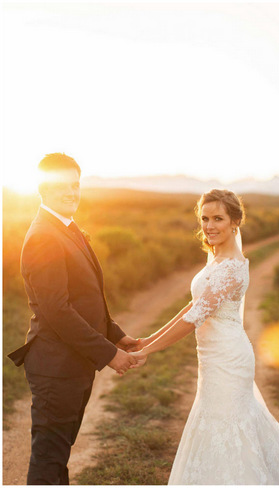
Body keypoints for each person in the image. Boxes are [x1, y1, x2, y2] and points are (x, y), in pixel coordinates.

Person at [130, 189, 279, 485]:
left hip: (228, 361)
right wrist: (148, 339)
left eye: (218, 218)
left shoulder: (231, 268)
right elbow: (193, 305)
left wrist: (148, 352)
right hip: (213, 359)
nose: (209, 226)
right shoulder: (217, 260)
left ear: (235, 221)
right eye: (204, 219)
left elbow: (194, 318)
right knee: (217, 423)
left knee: (228, 426)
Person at [8, 153, 141, 485]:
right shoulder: (43, 236)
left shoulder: (66, 227)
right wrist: (110, 355)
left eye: (75, 185)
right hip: (56, 368)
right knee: (48, 459)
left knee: (59, 457)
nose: (71, 192)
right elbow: (59, 311)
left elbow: (84, 298)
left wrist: (114, 335)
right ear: (41, 188)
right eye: (61, 186)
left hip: (72, 365)